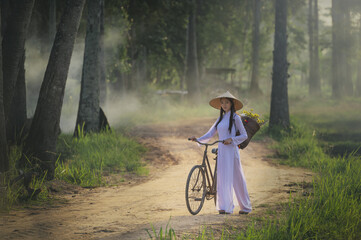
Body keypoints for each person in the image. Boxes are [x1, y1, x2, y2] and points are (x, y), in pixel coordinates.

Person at [189, 91, 252, 214]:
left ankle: (245, 207)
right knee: (223, 177)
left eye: (226, 102)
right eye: (222, 102)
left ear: (231, 103)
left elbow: (244, 135)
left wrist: (232, 139)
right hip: (223, 150)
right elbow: (210, 133)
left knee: (237, 179)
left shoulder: (236, 118)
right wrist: (198, 139)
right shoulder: (221, 118)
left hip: (231, 151)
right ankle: (224, 207)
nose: (224, 105)